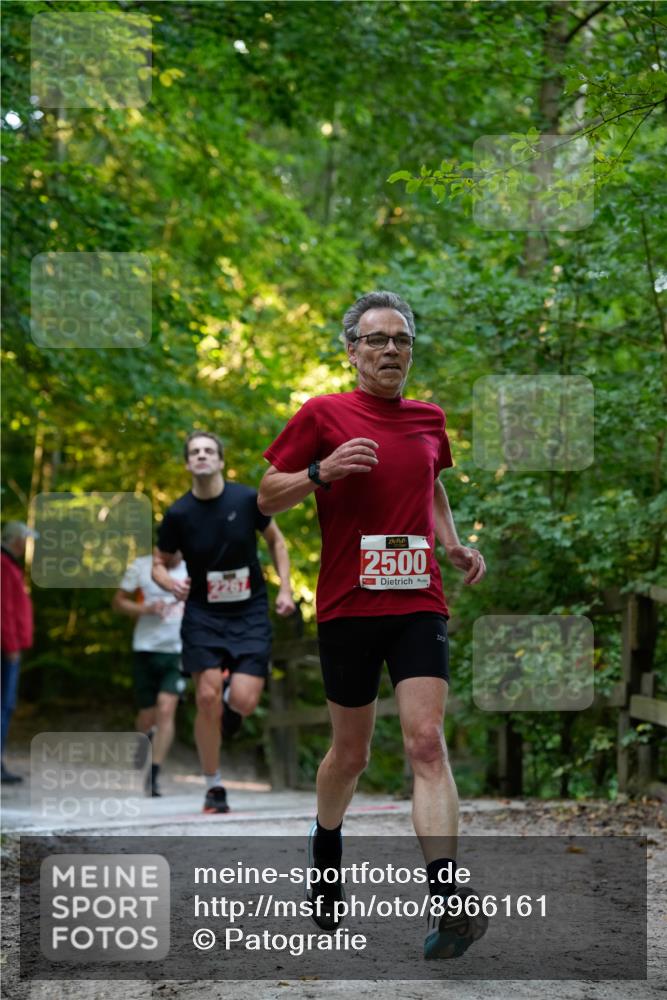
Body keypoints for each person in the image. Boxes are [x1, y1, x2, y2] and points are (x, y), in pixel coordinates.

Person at [258, 290, 487, 960]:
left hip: (418, 597)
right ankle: (326, 844)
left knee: (424, 744)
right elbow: (270, 492)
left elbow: (432, 483)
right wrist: (319, 471)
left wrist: (449, 543)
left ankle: (448, 900)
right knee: (349, 755)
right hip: (347, 605)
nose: (391, 350)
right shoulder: (322, 414)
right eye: (376, 339)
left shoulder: (428, 418)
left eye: (402, 339)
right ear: (351, 349)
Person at [153, 431, 295, 814]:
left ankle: (232, 705)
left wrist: (286, 590)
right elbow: (158, 564)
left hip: (249, 611)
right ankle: (214, 786)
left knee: (246, 701)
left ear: (220, 461)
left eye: (209, 451)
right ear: (187, 464)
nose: (201, 456)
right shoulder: (178, 514)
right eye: (195, 452)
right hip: (202, 612)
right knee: (206, 697)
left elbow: (276, 542)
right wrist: (170, 583)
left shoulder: (248, 499)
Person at [112, 551, 188, 796]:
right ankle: (144, 742)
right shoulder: (141, 566)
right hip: (145, 648)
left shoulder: (193, 567)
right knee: (147, 717)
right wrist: (145, 608)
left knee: (166, 709)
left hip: (177, 651)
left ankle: (153, 775)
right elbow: (118, 602)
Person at [1, 521, 35, 784]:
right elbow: (4, 610)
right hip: (5, 650)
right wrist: (11, 646)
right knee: (4, 705)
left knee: (6, 706)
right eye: (25, 540)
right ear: (16, 540)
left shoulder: (10, 564)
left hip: (9, 647)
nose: (27, 545)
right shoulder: (3, 564)